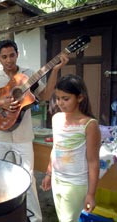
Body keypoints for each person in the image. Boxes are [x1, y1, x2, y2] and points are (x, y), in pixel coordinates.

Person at [0, 39, 69, 222]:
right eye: (4, 57)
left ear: (17, 54)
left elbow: (46, 96)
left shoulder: (29, 75)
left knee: (28, 177)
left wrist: (55, 70)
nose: (9, 60)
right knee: (3, 176)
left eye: (12, 55)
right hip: (1, 136)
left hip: (24, 136)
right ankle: (9, 214)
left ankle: (35, 218)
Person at [41, 74, 101, 222]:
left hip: (75, 184)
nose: (60, 103)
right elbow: (55, 149)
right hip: (57, 179)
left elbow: (93, 161)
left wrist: (91, 194)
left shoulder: (89, 124)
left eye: (66, 98)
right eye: (58, 98)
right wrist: (49, 174)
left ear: (80, 98)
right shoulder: (57, 119)